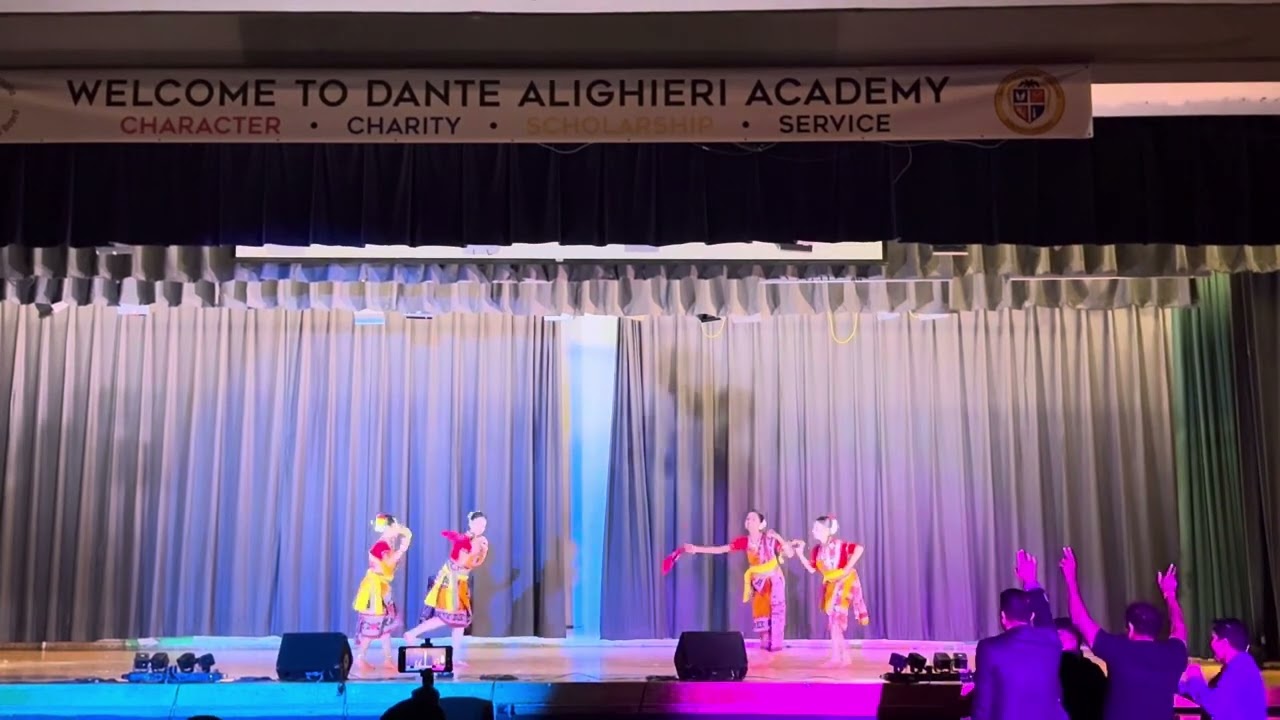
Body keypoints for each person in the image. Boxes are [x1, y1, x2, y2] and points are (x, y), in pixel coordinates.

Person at [1059, 547, 1189, 720]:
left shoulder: (1120, 650)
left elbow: (1079, 619)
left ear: (1131, 627)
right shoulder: (1175, 654)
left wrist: (1070, 578)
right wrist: (1170, 594)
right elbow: (1179, 626)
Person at [967, 549, 1068, 720]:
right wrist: (1031, 581)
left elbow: (984, 702)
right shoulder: (1051, 640)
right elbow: (1044, 614)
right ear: (1031, 616)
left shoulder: (989, 648)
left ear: (1003, 617)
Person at [682, 509, 797, 653]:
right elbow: (721, 549)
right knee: (762, 622)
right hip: (759, 584)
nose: (749, 521)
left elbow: (790, 554)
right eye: (748, 519)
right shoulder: (744, 541)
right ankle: (766, 654)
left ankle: (776, 652)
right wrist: (696, 549)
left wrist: (779, 537)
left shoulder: (770, 539)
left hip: (774, 581)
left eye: (753, 519)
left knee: (776, 617)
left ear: (762, 524)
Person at [403, 511, 489, 663]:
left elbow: (475, 564)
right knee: (446, 618)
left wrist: (483, 551)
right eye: (478, 524)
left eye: (483, 524)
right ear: (470, 524)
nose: (481, 527)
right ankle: (412, 633)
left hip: (461, 582)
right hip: (451, 581)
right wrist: (476, 548)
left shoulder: (480, 541)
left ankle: (455, 658)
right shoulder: (464, 540)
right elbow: (461, 561)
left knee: (460, 622)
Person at [791, 516, 869, 666]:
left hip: (846, 581)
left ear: (828, 530)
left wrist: (846, 569)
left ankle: (838, 657)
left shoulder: (839, 545)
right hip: (832, 585)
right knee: (833, 621)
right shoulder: (817, 550)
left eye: (818, 528)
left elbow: (859, 548)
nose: (814, 531)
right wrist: (800, 553)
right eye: (814, 528)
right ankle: (843, 656)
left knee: (835, 621)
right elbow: (812, 569)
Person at [352, 513, 413, 670]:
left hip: (381, 587)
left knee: (384, 628)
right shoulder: (382, 546)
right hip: (375, 589)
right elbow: (389, 564)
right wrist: (402, 549)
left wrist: (403, 537)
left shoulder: (386, 544)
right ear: (387, 528)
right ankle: (360, 657)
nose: (396, 529)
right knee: (374, 625)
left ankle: (387, 659)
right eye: (394, 526)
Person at [1178, 618, 1267, 720]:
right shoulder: (1239, 664)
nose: (1211, 644)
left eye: (1214, 638)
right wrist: (1182, 684)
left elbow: (1215, 705)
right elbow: (1213, 695)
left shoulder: (1241, 667)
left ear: (1224, 643)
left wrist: (1195, 678)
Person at [1056, 617, 1108, 720]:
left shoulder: (1090, 669)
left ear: (1074, 638)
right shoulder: (1092, 669)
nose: (1055, 639)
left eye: (1059, 634)